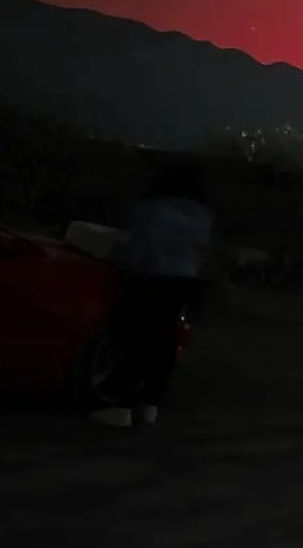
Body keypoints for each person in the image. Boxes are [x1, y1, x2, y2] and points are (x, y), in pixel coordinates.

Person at [89, 161, 213, 428]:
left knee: (134, 338)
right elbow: (201, 250)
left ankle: (119, 405)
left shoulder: (152, 206)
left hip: (149, 276)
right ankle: (149, 404)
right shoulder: (200, 212)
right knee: (164, 341)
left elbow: (139, 246)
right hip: (184, 280)